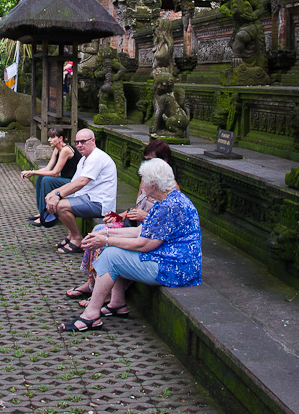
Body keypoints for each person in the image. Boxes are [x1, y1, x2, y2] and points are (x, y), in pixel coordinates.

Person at [59, 158, 201, 332]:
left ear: (153, 184)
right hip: (170, 259)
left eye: (144, 182)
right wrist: (105, 232)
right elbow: (138, 231)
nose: (141, 186)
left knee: (112, 255)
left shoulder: (170, 206)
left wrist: (105, 240)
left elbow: (144, 244)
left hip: (176, 268)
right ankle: (117, 303)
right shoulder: (167, 199)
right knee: (114, 247)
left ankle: (91, 316)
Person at [67, 140, 172, 300]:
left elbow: (164, 219)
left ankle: (105, 292)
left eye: (152, 160)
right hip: (134, 224)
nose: (147, 164)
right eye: (146, 160)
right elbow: (138, 206)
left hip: (150, 233)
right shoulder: (146, 179)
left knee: (106, 242)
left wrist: (144, 217)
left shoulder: (170, 188)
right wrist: (121, 215)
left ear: (164, 162)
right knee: (98, 230)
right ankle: (91, 281)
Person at [45, 128, 117, 255]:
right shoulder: (84, 159)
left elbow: (82, 182)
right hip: (87, 197)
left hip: (100, 203)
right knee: (57, 200)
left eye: (83, 142)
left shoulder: (96, 158)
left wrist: (58, 195)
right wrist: (54, 193)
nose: (79, 145)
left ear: (93, 141)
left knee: (60, 205)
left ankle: (77, 239)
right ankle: (71, 236)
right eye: (77, 142)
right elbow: (74, 182)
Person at [21, 127, 80, 226]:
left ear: (60, 138)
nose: (49, 140)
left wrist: (33, 173)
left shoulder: (66, 150)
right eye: (49, 137)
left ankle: (47, 216)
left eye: (52, 138)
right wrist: (31, 171)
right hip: (65, 179)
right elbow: (48, 168)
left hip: (73, 182)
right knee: (40, 177)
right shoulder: (57, 150)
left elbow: (55, 173)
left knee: (47, 180)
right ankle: (42, 212)